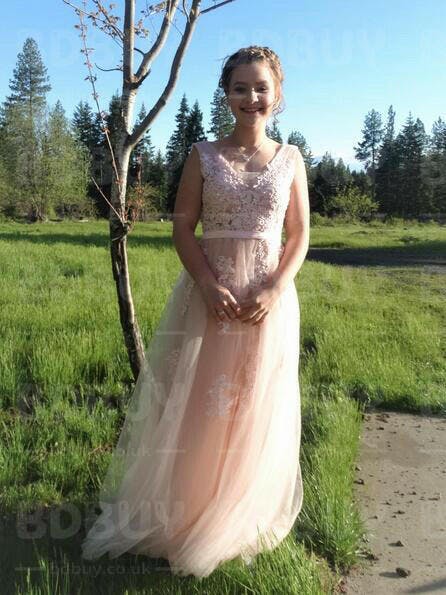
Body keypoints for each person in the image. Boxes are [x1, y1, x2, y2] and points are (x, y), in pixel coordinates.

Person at [81, 45, 310, 579]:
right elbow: (183, 226)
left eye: (261, 87)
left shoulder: (291, 158)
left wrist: (276, 289)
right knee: (202, 401)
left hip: (266, 301)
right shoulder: (202, 154)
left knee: (254, 402)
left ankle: (238, 511)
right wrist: (207, 284)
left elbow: (299, 234)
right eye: (239, 87)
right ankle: (188, 510)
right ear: (225, 94)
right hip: (210, 297)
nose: (251, 97)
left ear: (277, 94)